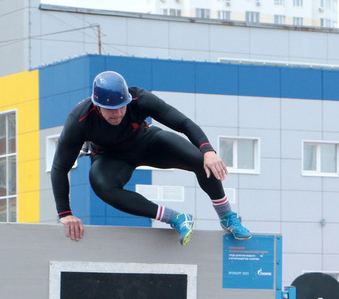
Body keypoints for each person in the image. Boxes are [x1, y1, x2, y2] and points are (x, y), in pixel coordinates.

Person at [51, 70, 252, 246]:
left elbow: (183, 123)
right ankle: (176, 218)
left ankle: (227, 217)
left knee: (201, 160)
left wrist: (208, 150)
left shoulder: (141, 99)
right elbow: (60, 167)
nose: (118, 113)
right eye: (111, 110)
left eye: (122, 106)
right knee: (102, 187)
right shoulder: (79, 120)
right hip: (110, 158)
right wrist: (65, 213)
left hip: (146, 142)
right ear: (97, 106)